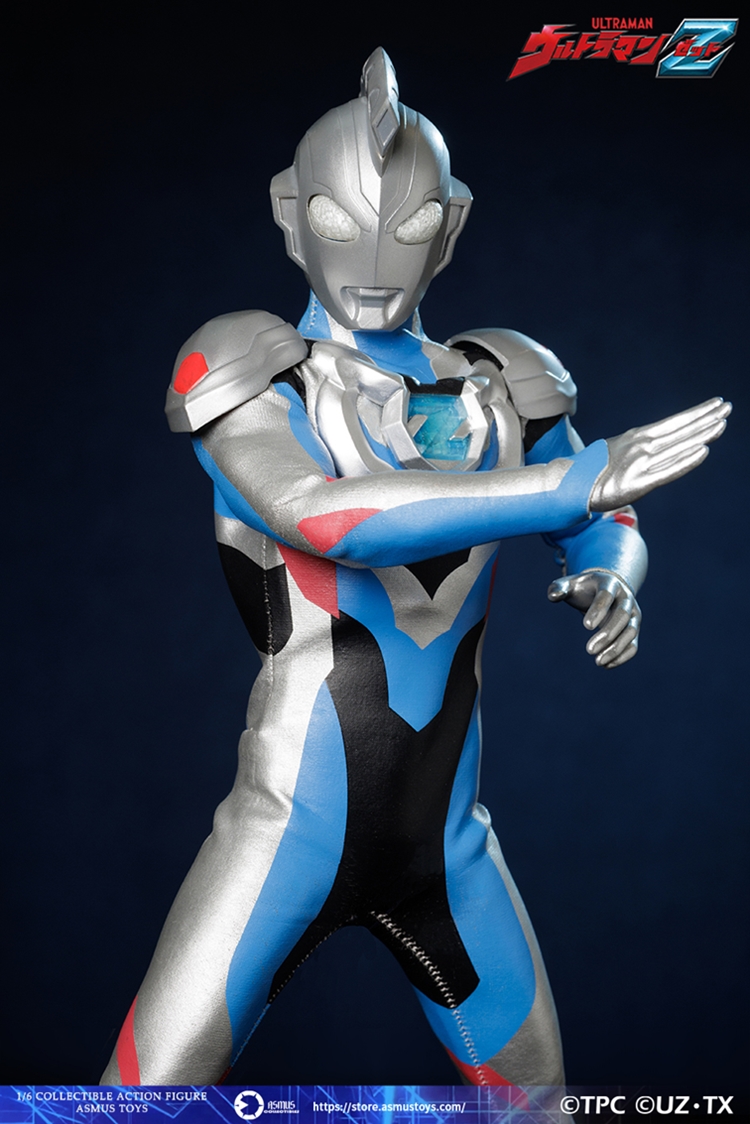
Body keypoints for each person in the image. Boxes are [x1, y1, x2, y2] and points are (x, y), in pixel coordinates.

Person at [101, 49, 729, 1088]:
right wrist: (566, 488)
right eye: (339, 220)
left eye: (411, 224)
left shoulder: (499, 379)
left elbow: (602, 513)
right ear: (290, 213)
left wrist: (612, 565)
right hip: (287, 833)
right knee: (137, 1104)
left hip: (447, 848)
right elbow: (319, 515)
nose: (375, 256)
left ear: (455, 223)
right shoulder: (255, 370)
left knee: (538, 1108)